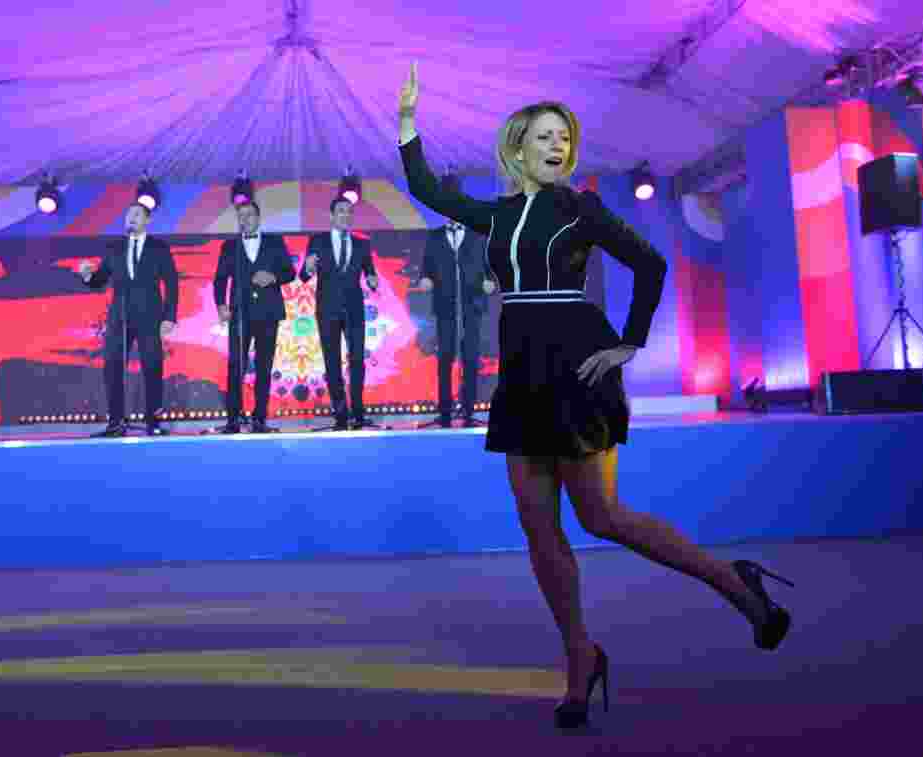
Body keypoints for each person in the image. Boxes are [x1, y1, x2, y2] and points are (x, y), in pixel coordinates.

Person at [396, 62, 794, 729]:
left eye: (565, 139)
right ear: (517, 148)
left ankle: (737, 584)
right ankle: (579, 653)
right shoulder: (494, 215)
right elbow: (428, 188)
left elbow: (651, 264)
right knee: (536, 522)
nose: (558, 146)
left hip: (579, 366)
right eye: (546, 137)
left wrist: (629, 344)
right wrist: (408, 122)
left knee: (602, 516)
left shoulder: (582, 209)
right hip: (523, 374)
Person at [79, 202, 178, 437]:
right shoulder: (115, 248)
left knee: (152, 368)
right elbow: (100, 280)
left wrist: (169, 316)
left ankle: (153, 422)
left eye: (136, 214)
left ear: (147, 220)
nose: (131, 218)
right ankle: (116, 423)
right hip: (119, 318)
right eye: (128, 215)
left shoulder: (159, 247)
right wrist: (87, 276)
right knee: (112, 368)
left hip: (150, 317)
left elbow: (172, 282)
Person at [213, 201, 295, 434]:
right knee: (235, 366)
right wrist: (220, 305)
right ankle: (233, 420)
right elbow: (220, 279)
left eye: (249, 215)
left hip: (268, 313)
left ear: (258, 218)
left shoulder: (274, 242)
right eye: (241, 215)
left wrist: (273, 277)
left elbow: (289, 272)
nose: (245, 219)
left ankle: (260, 419)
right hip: (239, 314)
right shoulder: (230, 246)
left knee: (263, 367)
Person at [300, 196, 378, 430]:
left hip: (354, 310)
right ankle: (340, 414)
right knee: (332, 362)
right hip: (327, 310)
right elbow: (303, 276)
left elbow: (370, 274)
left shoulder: (362, 244)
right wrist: (308, 267)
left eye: (349, 211)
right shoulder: (317, 241)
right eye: (341, 211)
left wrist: (373, 280)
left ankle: (358, 412)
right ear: (332, 216)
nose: (346, 215)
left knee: (357, 362)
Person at [417, 200, 496, 427]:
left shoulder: (478, 236)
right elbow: (426, 270)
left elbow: (490, 271)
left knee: (471, 360)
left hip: (471, 309)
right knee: (445, 360)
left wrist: (490, 283)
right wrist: (425, 280)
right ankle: (444, 412)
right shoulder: (435, 237)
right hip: (445, 310)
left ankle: (469, 410)